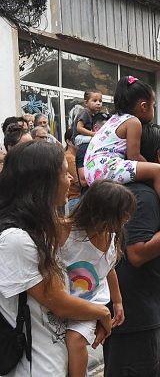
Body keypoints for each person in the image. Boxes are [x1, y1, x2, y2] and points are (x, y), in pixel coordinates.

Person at [0, 141, 112, 376]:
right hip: (33, 367)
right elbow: (59, 303)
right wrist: (102, 312)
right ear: (44, 182)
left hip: (51, 359)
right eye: (64, 172)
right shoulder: (15, 238)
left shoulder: (38, 229)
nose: (71, 178)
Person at [102, 123, 160, 376]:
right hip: (135, 311)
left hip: (136, 307)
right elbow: (137, 253)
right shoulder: (143, 195)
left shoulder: (140, 190)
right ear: (159, 157)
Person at [60, 180, 135, 377]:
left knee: (75, 340)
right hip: (62, 299)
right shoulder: (66, 230)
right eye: (122, 214)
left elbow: (108, 269)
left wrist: (117, 302)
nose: (126, 219)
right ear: (102, 212)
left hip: (92, 302)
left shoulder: (110, 237)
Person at [84, 76, 160, 222]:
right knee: (158, 171)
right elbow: (134, 156)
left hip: (92, 171)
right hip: (105, 168)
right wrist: (150, 168)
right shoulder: (133, 122)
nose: (154, 110)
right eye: (154, 106)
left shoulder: (114, 119)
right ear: (144, 106)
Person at [76, 112, 110, 191]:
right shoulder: (85, 148)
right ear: (96, 128)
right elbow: (83, 180)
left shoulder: (109, 147)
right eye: (107, 129)